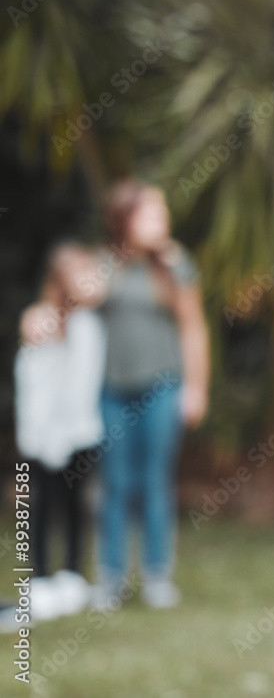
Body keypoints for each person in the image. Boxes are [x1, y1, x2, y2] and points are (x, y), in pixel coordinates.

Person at [94, 180, 209, 610]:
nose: (162, 221)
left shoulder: (176, 267)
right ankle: (110, 576)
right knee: (114, 483)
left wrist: (196, 388)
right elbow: (74, 299)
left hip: (163, 386)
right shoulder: (104, 265)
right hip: (111, 389)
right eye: (151, 213)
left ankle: (157, 574)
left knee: (155, 481)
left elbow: (193, 330)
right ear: (125, 219)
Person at [10, 243, 104, 624]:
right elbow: (34, 379)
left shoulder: (91, 324)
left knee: (77, 504)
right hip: (45, 434)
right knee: (41, 505)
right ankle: (41, 576)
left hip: (80, 431)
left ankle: (72, 574)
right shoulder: (41, 319)